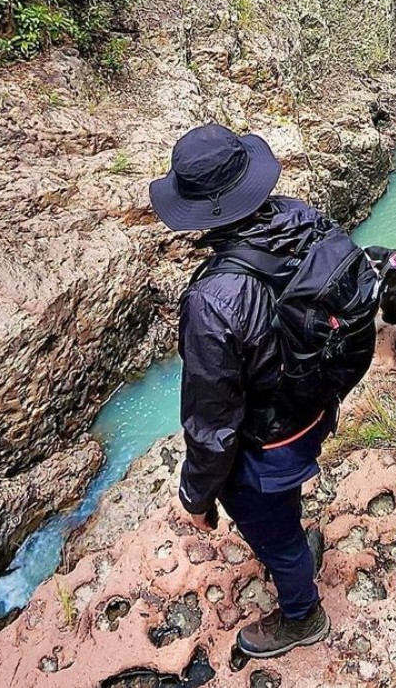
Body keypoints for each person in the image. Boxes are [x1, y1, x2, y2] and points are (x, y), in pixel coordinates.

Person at [149, 123, 339, 659]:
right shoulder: (301, 218)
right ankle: (296, 546)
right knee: (284, 510)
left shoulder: (213, 301)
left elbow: (213, 424)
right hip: (314, 407)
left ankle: (303, 615)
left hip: (267, 447)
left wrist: (197, 497)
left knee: (272, 531)